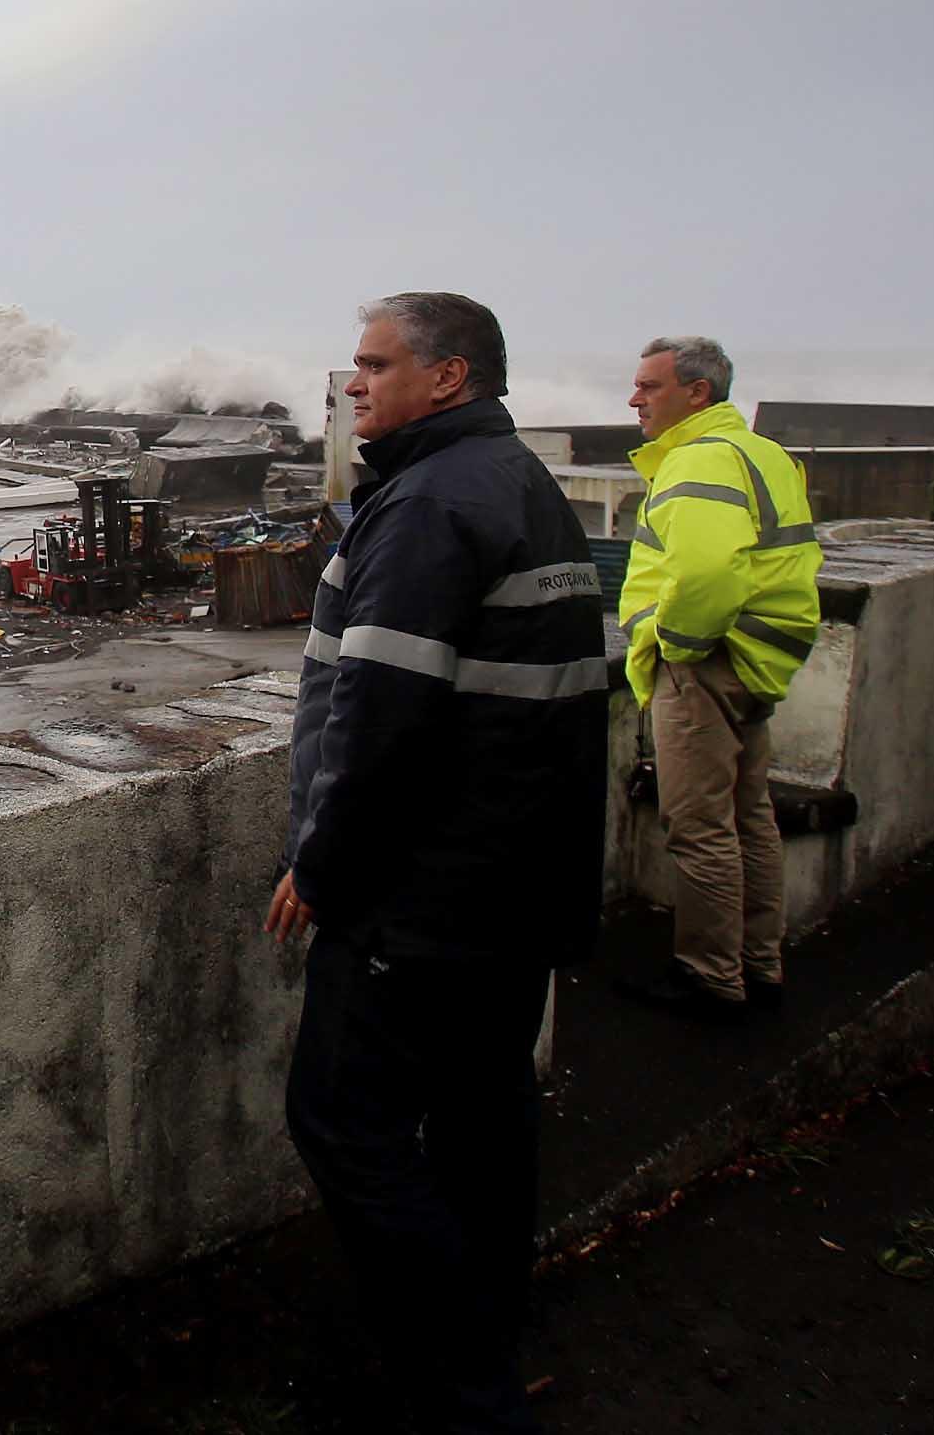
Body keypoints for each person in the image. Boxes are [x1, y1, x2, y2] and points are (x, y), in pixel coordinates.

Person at [265, 292, 607, 1433]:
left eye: (372, 364)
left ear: (446, 376)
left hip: (422, 893)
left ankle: (461, 1385)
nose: (352, 382)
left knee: (341, 1120)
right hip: (518, 878)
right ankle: (490, 1343)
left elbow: (379, 717)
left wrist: (317, 863)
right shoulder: (516, 482)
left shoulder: (422, 505)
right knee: (481, 1118)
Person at [615, 336, 822, 1023]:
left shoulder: (697, 458)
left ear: (696, 393)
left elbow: (707, 573)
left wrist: (670, 646)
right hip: (759, 659)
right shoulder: (762, 452)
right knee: (748, 817)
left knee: (698, 826)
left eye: (649, 386)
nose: (634, 398)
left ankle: (709, 978)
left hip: (705, 664)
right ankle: (759, 966)